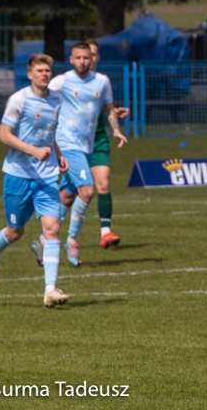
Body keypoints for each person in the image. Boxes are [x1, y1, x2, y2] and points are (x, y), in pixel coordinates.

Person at [0, 53, 70, 307]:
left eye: (47, 70)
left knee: (52, 229)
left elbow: (49, 134)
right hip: (18, 175)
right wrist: (32, 151)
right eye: (40, 70)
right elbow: (4, 135)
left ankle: (50, 290)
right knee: (15, 231)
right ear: (30, 74)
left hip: (47, 176)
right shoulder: (18, 99)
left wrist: (59, 155)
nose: (45, 74)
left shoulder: (56, 100)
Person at [48, 42, 128, 267]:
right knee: (88, 189)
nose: (83, 61)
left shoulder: (102, 81)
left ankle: (46, 237)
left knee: (68, 194)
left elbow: (108, 108)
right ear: (71, 59)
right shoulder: (61, 81)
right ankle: (72, 240)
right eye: (78, 58)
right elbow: (39, 97)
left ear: (91, 59)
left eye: (86, 58)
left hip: (88, 145)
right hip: (67, 143)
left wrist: (116, 130)